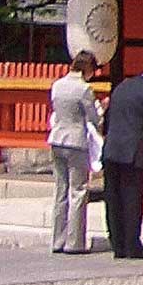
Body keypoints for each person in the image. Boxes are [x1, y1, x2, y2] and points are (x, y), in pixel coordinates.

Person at [99, 63, 143, 260]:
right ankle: (132, 246)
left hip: (111, 150)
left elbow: (109, 118)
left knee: (113, 198)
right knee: (132, 198)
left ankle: (117, 245)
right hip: (133, 152)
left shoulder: (122, 86)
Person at [45, 53, 105, 254]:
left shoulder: (57, 85)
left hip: (57, 138)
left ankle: (57, 240)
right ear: (88, 69)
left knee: (60, 191)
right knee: (78, 191)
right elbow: (94, 118)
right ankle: (74, 242)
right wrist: (102, 109)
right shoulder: (84, 89)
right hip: (76, 141)